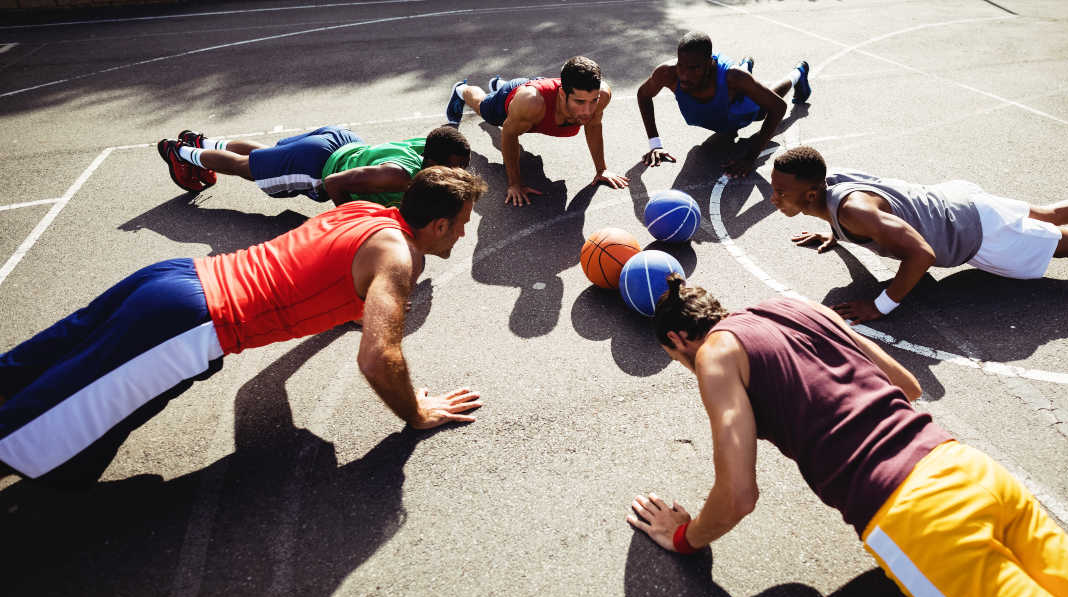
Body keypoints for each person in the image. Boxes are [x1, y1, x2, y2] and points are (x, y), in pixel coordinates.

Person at [626, 275, 1068, 597]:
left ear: (677, 340)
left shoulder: (715, 355)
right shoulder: (798, 307)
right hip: (967, 469)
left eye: (678, 362)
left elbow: (738, 495)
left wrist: (683, 539)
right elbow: (907, 386)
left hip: (914, 517)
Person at [0, 167, 485, 489]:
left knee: (28, 371)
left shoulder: (365, 213)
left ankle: (65, 465)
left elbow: (317, 272)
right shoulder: (399, 257)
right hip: (188, 321)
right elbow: (379, 357)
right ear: (438, 225)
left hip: (173, 277)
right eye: (462, 223)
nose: (464, 233)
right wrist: (416, 411)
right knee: (28, 431)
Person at [771, 146, 1068, 323]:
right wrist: (837, 235)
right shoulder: (831, 188)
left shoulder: (853, 211)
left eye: (779, 191)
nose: (773, 198)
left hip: (978, 233)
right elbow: (870, 211)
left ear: (809, 192)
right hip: (959, 202)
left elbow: (920, 254)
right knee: (1047, 214)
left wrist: (882, 305)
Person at [445, 56, 629, 206]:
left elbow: (594, 125)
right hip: (516, 99)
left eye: (593, 101)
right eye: (579, 102)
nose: (588, 111)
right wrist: (514, 184)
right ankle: (462, 90)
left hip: (529, 101)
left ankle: (500, 85)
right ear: (563, 94)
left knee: (523, 137)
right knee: (485, 110)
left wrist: (601, 169)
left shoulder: (602, 95)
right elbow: (509, 134)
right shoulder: (531, 103)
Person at [156, 125, 470, 207]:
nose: (460, 175)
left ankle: (203, 142)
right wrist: (350, 223)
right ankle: (181, 153)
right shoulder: (399, 176)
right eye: (454, 169)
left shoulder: (428, 144)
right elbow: (334, 182)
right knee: (244, 167)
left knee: (264, 156)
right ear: (430, 162)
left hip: (341, 139)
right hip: (318, 165)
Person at [636, 31, 811, 178]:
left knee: (761, 111)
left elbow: (778, 107)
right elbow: (643, 95)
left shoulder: (732, 79)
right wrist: (655, 144)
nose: (684, 75)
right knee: (738, 98)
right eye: (681, 65)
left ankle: (798, 72)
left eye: (694, 68)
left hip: (736, 104)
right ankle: (746, 67)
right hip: (720, 112)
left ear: (710, 63)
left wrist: (750, 158)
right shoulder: (667, 73)